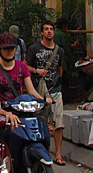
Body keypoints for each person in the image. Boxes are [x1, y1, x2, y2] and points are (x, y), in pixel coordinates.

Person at [26, 20, 66, 164]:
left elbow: (60, 69)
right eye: (46, 29)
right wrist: (37, 71)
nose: (49, 31)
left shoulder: (59, 50)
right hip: (38, 89)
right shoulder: (34, 49)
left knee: (58, 121)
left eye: (51, 29)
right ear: (42, 33)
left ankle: (59, 155)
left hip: (55, 89)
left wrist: (58, 83)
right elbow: (25, 67)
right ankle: (43, 151)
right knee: (41, 121)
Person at [0, 32, 48, 105]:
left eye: (12, 48)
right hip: (1, 112)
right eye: (6, 48)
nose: (9, 51)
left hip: (20, 110)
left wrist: (43, 100)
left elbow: (31, 90)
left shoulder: (22, 67)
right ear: (0, 50)